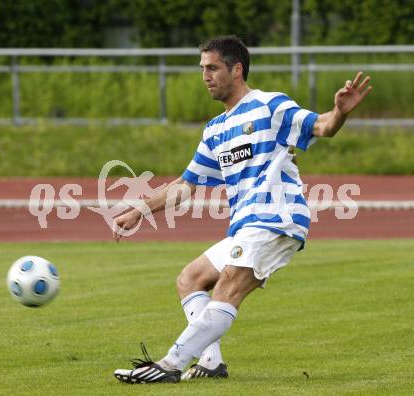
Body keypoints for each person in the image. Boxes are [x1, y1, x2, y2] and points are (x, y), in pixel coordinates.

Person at [112, 36, 372, 384]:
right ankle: (210, 363)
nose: (205, 75)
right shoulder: (216, 130)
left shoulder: (268, 106)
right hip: (246, 225)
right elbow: (185, 185)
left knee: (228, 286)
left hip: (275, 218)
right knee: (190, 279)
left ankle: (169, 365)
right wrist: (138, 210)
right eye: (202, 68)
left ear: (236, 70)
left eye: (213, 68)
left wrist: (339, 111)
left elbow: (322, 126)